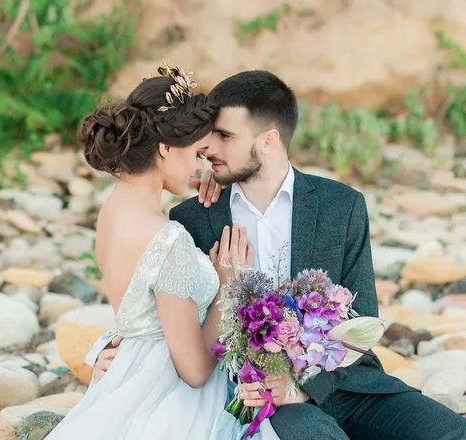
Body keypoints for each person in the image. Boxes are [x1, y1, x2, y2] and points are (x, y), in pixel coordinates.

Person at [91, 70, 466, 440]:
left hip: (349, 387)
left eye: (224, 136)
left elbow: (363, 316)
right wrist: (105, 351)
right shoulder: (192, 217)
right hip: (264, 403)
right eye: (207, 138)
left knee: (449, 430)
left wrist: (303, 386)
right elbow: (162, 309)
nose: (208, 149)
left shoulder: (341, 205)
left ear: (269, 139)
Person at [45, 65, 280, 439]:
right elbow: (196, 371)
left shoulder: (112, 212)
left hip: (128, 378)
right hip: (169, 399)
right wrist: (226, 286)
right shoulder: (167, 239)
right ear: (166, 147)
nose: (201, 164)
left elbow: (139, 313)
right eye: (198, 153)